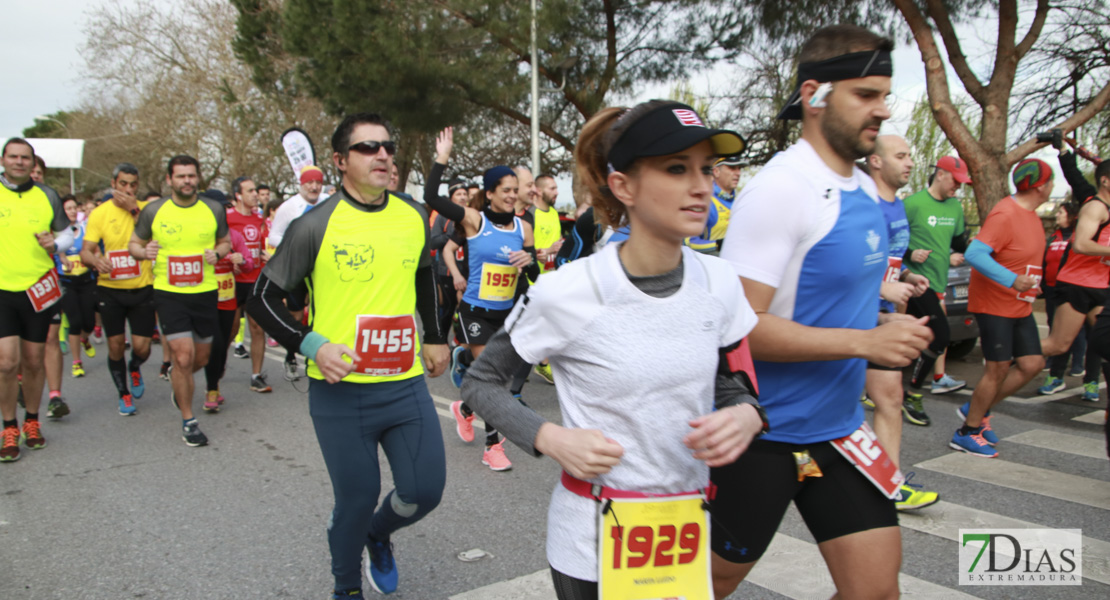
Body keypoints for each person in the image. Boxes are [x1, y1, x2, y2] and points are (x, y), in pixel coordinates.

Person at [462, 100, 762, 600]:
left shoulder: (720, 280)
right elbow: (480, 382)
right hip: (593, 542)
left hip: (686, 534)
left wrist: (747, 414)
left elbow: (733, 381)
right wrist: (550, 437)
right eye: (675, 168)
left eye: (706, 168)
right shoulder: (569, 290)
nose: (700, 185)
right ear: (624, 186)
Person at [710, 25, 933, 599]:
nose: (881, 110)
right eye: (865, 95)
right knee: (698, 589)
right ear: (814, 95)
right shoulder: (783, 189)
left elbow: (829, 302)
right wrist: (864, 345)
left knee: (877, 592)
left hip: (837, 432)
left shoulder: (862, 186)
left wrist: (881, 324)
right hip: (763, 435)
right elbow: (740, 328)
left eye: (884, 95)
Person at [248, 113, 449, 598]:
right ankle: (346, 588)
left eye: (387, 146)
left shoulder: (412, 213)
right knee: (355, 500)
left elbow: (424, 276)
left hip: (404, 385)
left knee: (423, 491)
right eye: (367, 148)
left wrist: (436, 335)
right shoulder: (313, 225)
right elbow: (260, 299)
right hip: (342, 395)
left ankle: (378, 536)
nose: (382, 154)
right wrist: (313, 345)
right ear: (339, 161)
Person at [425, 131, 538, 471]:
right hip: (475, 312)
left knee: (488, 377)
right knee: (494, 381)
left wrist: (529, 263)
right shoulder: (474, 220)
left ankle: (466, 408)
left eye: (515, 191)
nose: (512, 197)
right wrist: (442, 157)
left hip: (507, 315)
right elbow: (431, 195)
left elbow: (533, 278)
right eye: (506, 191)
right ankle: (492, 447)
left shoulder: (523, 228)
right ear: (489, 194)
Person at [952, 159, 1054, 457]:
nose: (1052, 187)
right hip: (995, 302)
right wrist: (1012, 280)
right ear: (1039, 186)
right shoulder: (1005, 213)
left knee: (1032, 364)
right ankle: (966, 432)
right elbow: (975, 254)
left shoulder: (1031, 214)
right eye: (1050, 182)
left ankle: (977, 408)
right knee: (996, 369)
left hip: (1019, 304)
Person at [860, 135, 939, 511]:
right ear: (875, 161)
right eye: (901, 156)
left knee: (890, 397)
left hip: (881, 318)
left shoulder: (896, 206)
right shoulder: (864, 205)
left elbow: (888, 256)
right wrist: (881, 289)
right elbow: (841, 265)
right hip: (850, 317)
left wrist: (906, 276)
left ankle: (888, 483)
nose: (909, 163)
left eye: (911, 155)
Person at [129, 155, 231, 447]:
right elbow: (133, 244)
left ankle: (179, 380)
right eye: (181, 176)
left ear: (198, 178)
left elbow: (224, 241)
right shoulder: (154, 210)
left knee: (200, 358)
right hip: (169, 293)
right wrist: (143, 252)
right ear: (169, 179)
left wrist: (219, 253)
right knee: (184, 356)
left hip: (205, 292)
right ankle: (189, 420)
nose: (187, 181)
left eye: (191, 176)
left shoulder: (213, 209)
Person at [0, 138, 74, 462]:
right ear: (3, 159)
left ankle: (32, 420)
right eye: (13, 156)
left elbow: (67, 234)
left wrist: (55, 244)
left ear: (33, 163)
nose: (19, 162)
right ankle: (8, 426)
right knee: (6, 361)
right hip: (2, 289)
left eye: (25, 158)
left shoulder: (47, 195)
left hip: (37, 289)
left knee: (33, 360)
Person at [81, 163, 157, 416]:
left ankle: (135, 367)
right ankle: (123, 393)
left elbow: (154, 236)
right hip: (110, 290)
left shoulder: (145, 209)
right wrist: (95, 261)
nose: (127, 189)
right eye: (122, 184)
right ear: (113, 184)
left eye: (132, 185)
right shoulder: (99, 213)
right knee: (115, 346)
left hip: (142, 288)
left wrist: (133, 209)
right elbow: (85, 251)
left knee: (143, 347)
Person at [1039, 138, 1110, 403]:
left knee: (1102, 340)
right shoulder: (1094, 204)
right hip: (1076, 284)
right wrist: (1064, 151)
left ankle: (1091, 382)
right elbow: (1081, 244)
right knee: (1059, 344)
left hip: (1101, 286)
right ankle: (1006, 354)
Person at [904, 155, 972, 394]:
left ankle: (936, 378)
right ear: (940, 174)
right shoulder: (912, 204)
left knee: (913, 336)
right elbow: (892, 241)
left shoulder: (955, 206)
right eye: (956, 181)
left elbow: (958, 242)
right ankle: (913, 389)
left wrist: (981, 250)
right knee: (940, 335)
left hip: (940, 282)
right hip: (915, 283)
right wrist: (911, 254)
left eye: (962, 183)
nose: (958, 186)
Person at [267, 165, 327, 381]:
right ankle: (291, 357)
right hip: (297, 268)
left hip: (321, 268)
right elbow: (273, 236)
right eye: (310, 183)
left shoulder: (327, 203)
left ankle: (319, 354)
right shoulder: (289, 207)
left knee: (321, 311)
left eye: (318, 183)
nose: (314, 187)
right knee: (296, 314)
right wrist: (295, 245)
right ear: (301, 184)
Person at [1039, 202, 1101, 397]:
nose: (1057, 215)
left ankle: (1091, 382)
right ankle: (1054, 376)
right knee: (1060, 340)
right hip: (1066, 290)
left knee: (1097, 338)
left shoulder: (1095, 231)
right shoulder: (1056, 236)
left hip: (1096, 289)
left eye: (1061, 212)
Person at [227, 176, 272, 393]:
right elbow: (218, 242)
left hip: (256, 279)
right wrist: (229, 259)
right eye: (250, 191)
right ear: (238, 195)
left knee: (257, 328)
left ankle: (256, 375)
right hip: (234, 282)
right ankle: (215, 372)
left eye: (256, 190)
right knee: (231, 328)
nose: (255, 194)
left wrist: (268, 256)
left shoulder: (260, 219)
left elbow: (267, 243)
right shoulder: (227, 218)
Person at [203, 227, 253, 412]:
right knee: (213, 344)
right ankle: (211, 389)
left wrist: (242, 260)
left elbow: (249, 263)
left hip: (227, 298)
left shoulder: (234, 236)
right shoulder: (200, 233)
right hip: (204, 298)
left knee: (223, 343)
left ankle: (214, 380)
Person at [59, 196, 99, 383]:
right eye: (68, 208)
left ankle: (85, 338)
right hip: (66, 281)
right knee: (74, 322)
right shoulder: (57, 231)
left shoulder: (85, 229)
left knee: (89, 323)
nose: (73, 211)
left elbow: (95, 249)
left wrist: (95, 259)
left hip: (86, 280)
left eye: (75, 208)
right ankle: (77, 362)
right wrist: (62, 259)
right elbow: (53, 250)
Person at [686, 154, 742, 254]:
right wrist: (718, 245)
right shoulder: (704, 200)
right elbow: (688, 242)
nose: (738, 173)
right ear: (716, 172)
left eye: (739, 168)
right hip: (708, 265)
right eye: (732, 168)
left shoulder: (740, 202)